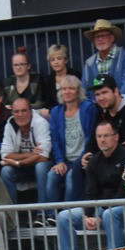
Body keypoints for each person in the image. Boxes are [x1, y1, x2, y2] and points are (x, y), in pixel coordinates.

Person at [58, 120, 125, 250]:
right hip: (101, 208)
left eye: (106, 136)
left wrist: (99, 216)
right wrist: (88, 216)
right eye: (99, 136)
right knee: (64, 217)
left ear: (116, 137)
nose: (102, 140)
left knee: (109, 215)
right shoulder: (94, 161)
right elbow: (90, 192)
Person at [0, 97, 51, 223]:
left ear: (31, 112)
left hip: (43, 165)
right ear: (12, 113)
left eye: (24, 111)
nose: (20, 115)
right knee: (6, 171)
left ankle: (42, 213)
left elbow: (43, 157)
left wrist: (18, 161)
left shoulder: (40, 123)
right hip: (23, 168)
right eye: (16, 111)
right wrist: (32, 154)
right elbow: (5, 155)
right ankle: (12, 215)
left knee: (41, 167)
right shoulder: (10, 124)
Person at [49, 75, 96, 205]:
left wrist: (79, 160)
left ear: (78, 90)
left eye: (71, 88)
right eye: (64, 89)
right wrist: (59, 161)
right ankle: (50, 215)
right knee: (51, 176)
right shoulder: (56, 112)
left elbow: (90, 137)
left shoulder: (88, 108)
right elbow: (55, 140)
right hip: (65, 161)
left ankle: (67, 214)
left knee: (71, 177)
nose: (67, 92)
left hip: (83, 159)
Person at [82, 20, 125, 97]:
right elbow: (84, 91)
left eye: (103, 35)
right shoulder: (89, 63)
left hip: (121, 105)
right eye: (97, 36)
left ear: (112, 38)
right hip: (97, 107)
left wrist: (118, 105)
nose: (100, 39)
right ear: (94, 40)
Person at [3, 48, 48, 114]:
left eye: (21, 64)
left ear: (28, 66)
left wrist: (15, 107)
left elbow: (40, 104)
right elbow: (4, 106)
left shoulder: (37, 79)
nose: (18, 67)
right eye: (15, 65)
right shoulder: (7, 82)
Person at [42, 44, 81, 111]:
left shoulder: (74, 75)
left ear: (65, 60)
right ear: (50, 63)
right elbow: (48, 103)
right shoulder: (48, 79)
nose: (56, 62)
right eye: (52, 60)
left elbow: (80, 96)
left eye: (59, 58)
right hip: (55, 111)